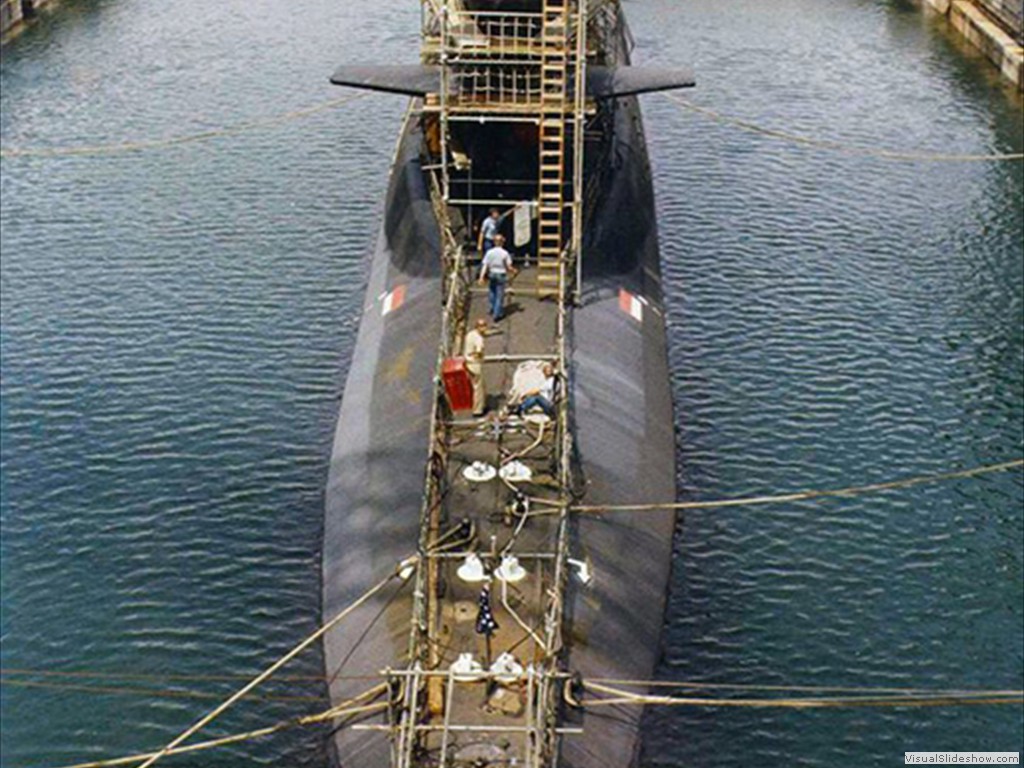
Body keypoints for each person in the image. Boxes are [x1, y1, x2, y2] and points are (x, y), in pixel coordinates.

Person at [479, 234, 517, 321]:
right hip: (501, 274)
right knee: (500, 295)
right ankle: (497, 314)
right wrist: (513, 270)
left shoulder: (489, 252)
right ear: (502, 242)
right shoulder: (505, 253)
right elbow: (508, 266)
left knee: (492, 292)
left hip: (492, 273)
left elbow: (485, 265)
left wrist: (481, 276)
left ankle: (493, 307)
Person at [464, 318, 488, 416]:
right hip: (475, 364)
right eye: (483, 326)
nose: (485, 328)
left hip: (468, 362)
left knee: (478, 385)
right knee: (478, 388)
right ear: (479, 327)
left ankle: (483, 404)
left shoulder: (470, 334)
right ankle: (478, 410)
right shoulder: (479, 339)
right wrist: (479, 355)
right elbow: (478, 352)